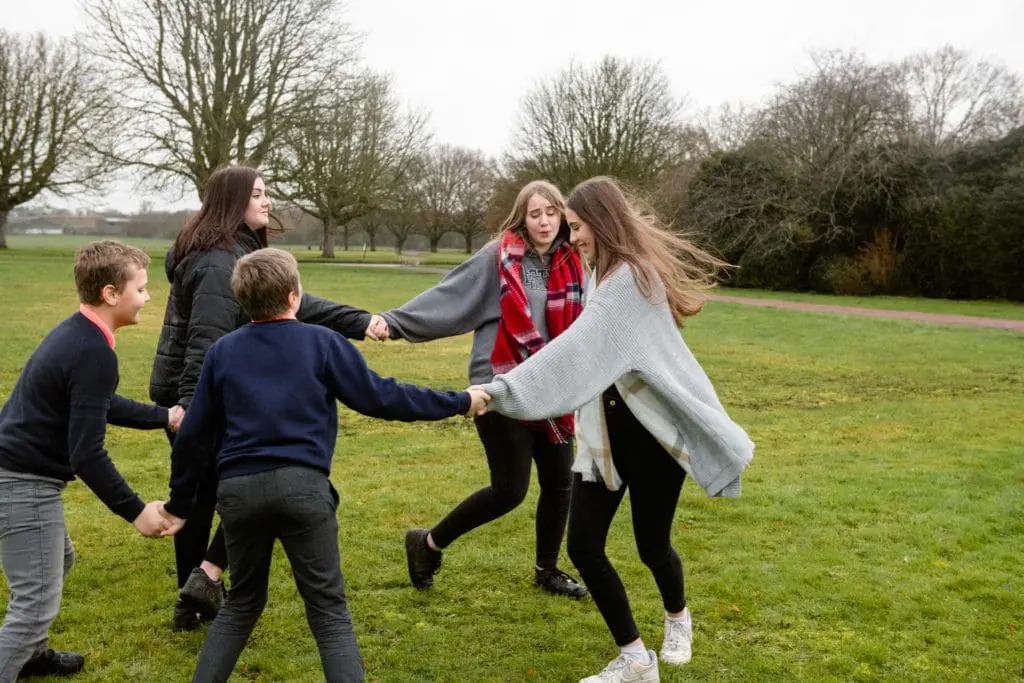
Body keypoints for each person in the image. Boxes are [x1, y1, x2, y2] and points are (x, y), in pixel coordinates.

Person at [160, 248, 489, 682]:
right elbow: (383, 397)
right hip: (304, 490)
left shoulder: (223, 352)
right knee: (329, 612)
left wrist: (179, 503)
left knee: (241, 604)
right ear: (295, 296)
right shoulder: (324, 342)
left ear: (242, 300)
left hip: (239, 493)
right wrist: (460, 401)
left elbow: (193, 437)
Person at [477, 177, 756, 683]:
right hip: (603, 440)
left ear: (602, 223)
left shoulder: (630, 281)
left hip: (649, 441)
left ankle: (678, 619)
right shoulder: (600, 275)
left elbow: (573, 351)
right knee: (583, 546)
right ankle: (634, 659)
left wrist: (499, 391)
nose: (572, 236)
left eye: (578, 226)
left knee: (652, 547)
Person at [149, 165, 389, 631]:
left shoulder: (233, 250)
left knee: (221, 495)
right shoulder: (220, 262)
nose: (266, 202)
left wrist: (358, 320)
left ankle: (199, 589)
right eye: (257, 194)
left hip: (210, 393)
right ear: (233, 200)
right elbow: (204, 342)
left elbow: (295, 302)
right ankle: (197, 594)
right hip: (200, 396)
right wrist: (189, 413)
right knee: (219, 496)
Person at [377, 180, 588, 598]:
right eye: (535, 213)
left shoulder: (576, 260)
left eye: (551, 212)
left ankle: (547, 569)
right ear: (522, 218)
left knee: (560, 481)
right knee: (510, 490)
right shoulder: (499, 257)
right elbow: (449, 296)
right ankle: (428, 543)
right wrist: (394, 322)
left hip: (553, 389)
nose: (544, 221)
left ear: (562, 214)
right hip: (501, 385)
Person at [0, 241, 183, 681]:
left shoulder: (79, 333)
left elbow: (95, 402)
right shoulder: (93, 351)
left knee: (57, 561)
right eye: (141, 288)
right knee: (34, 602)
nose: (148, 296)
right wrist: (137, 512)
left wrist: (165, 416)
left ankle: (30, 657)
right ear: (110, 294)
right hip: (22, 482)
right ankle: (18, 655)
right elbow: (86, 453)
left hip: (16, 474)